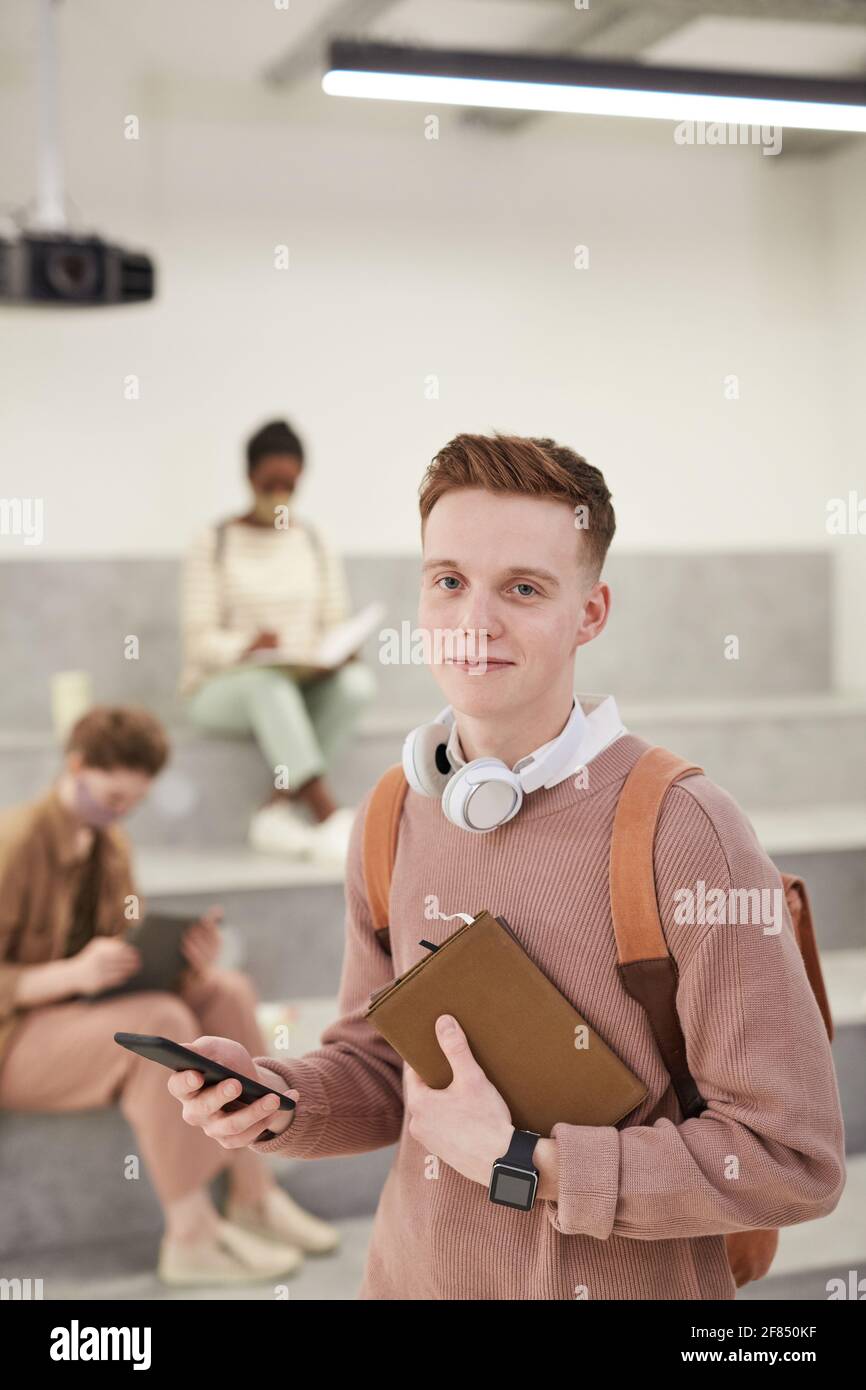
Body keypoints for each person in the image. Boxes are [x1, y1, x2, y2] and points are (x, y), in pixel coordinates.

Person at [165, 432, 845, 1300]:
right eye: (448, 581)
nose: (473, 625)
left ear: (591, 613)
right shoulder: (389, 814)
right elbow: (383, 1067)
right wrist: (278, 1096)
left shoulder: (686, 828)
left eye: (522, 589)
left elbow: (792, 1159)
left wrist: (530, 1164)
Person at [0, 705, 339, 1286]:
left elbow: (124, 956)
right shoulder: (16, 841)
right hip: (17, 1035)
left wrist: (183, 961)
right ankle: (190, 1234)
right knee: (160, 1019)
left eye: (133, 801)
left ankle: (254, 1193)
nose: (120, 812)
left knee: (225, 993)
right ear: (76, 766)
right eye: (111, 797)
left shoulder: (111, 845)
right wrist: (73, 975)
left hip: (77, 1017)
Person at [180, 418, 377, 864]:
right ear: (249, 478)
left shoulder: (313, 539)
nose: (280, 495)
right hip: (224, 689)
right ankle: (327, 812)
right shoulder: (213, 541)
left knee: (357, 685)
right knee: (268, 685)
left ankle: (276, 806)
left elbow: (334, 620)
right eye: (271, 483)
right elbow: (198, 642)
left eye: (290, 484)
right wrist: (245, 647)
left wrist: (340, 651)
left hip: (299, 680)